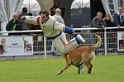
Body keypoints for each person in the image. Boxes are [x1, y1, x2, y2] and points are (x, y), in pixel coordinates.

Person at [21, 11, 85, 73]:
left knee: (64, 50)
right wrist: (25, 18)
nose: (42, 19)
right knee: (66, 57)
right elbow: (32, 19)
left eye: (43, 17)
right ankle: (79, 64)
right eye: (41, 17)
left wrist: (70, 30)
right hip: (53, 38)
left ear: (47, 17)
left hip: (58, 37)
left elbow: (61, 26)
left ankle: (77, 39)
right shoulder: (39, 19)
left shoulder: (52, 22)